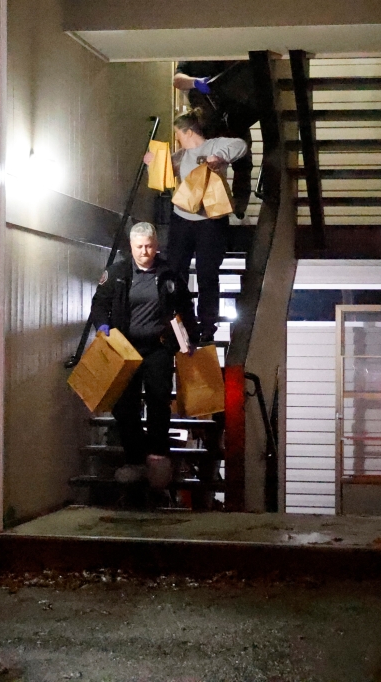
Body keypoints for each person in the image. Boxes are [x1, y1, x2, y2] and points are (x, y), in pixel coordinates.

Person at [90, 222, 198, 485]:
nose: (144, 252)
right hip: (125, 349)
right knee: (124, 405)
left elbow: (185, 305)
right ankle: (135, 458)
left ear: (156, 246)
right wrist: (103, 326)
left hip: (158, 347)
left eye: (149, 246)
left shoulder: (170, 274)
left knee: (159, 402)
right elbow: (99, 303)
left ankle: (158, 457)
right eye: (139, 247)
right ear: (131, 246)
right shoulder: (117, 273)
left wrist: (191, 337)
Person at [148, 111, 247, 345]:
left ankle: (207, 326)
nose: (178, 139)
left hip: (211, 221)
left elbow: (241, 145)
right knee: (175, 271)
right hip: (182, 219)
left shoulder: (214, 145)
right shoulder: (180, 155)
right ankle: (179, 319)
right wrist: (153, 163)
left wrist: (218, 157)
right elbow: (164, 172)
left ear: (188, 132)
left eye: (178, 134)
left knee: (207, 274)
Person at [174, 60, 255, 219]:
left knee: (243, 162)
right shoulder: (191, 57)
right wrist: (195, 83)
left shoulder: (227, 53)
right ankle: (200, 204)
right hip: (206, 120)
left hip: (235, 117)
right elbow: (177, 80)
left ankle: (238, 205)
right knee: (204, 162)